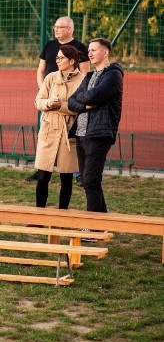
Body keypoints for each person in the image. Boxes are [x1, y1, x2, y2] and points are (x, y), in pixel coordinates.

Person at [26, 16, 90, 182]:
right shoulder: (49, 45)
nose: (56, 29)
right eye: (55, 26)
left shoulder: (80, 47)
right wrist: (44, 91)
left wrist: (74, 98)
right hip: (50, 99)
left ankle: (75, 172)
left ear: (69, 29)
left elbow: (85, 75)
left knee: (72, 137)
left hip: (70, 102)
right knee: (45, 136)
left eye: (60, 27)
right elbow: (41, 70)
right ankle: (42, 169)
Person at [68, 38, 123, 213]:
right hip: (82, 134)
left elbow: (96, 95)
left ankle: (93, 227)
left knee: (91, 180)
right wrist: (85, 105)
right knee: (87, 179)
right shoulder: (90, 76)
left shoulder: (113, 74)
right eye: (89, 50)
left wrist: (85, 97)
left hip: (99, 134)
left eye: (93, 50)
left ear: (105, 52)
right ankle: (101, 223)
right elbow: (71, 101)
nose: (89, 53)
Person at [34, 45, 84, 210]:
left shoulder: (83, 80)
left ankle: (62, 216)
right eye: (57, 58)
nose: (57, 61)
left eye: (61, 58)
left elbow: (81, 107)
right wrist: (48, 103)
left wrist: (61, 105)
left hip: (68, 132)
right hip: (49, 130)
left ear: (72, 60)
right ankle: (39, 215)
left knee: (66, 177)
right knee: (42, 176)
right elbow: (38, 101)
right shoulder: (51, 77)